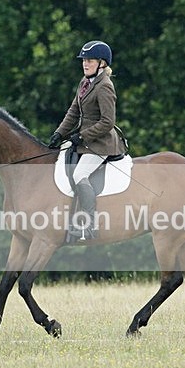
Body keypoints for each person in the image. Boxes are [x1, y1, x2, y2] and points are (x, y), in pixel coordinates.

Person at [48, 40, 127, 241]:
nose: (85, 64)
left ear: (102, 63)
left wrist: (81, 136)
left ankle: (89, 225)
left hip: (101, 143)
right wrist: (59, 133)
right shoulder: (85, 82)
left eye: (90, 60)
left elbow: (108, 122)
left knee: (80, 174)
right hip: (84, 141)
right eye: (84, 60)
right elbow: (74, 112)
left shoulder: (104, 86)